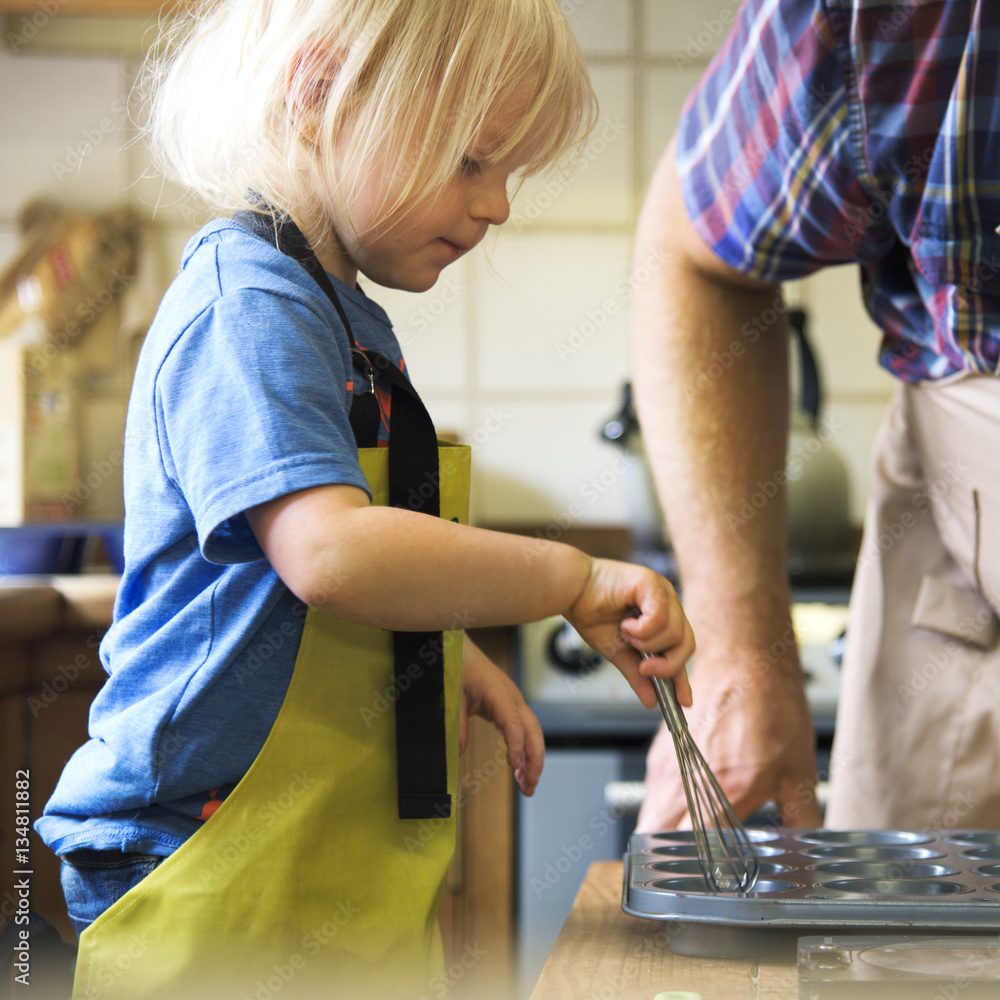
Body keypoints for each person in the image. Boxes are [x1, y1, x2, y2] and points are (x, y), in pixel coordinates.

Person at [35, 2, 696, 997]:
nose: (498, 205)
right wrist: (568, 574)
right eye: (474, 159)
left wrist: (440, 655)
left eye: (509, 172)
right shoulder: (247, 307)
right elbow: (331, 553)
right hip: (198, 857)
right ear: (316, 94)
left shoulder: (331, 311)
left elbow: (290, 583)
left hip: (305, 870)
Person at [631, 0, 1000, 836]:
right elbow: (696, 257)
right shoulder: (878, 17)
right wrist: (738, 651)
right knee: (917, 955)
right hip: (965, 593)